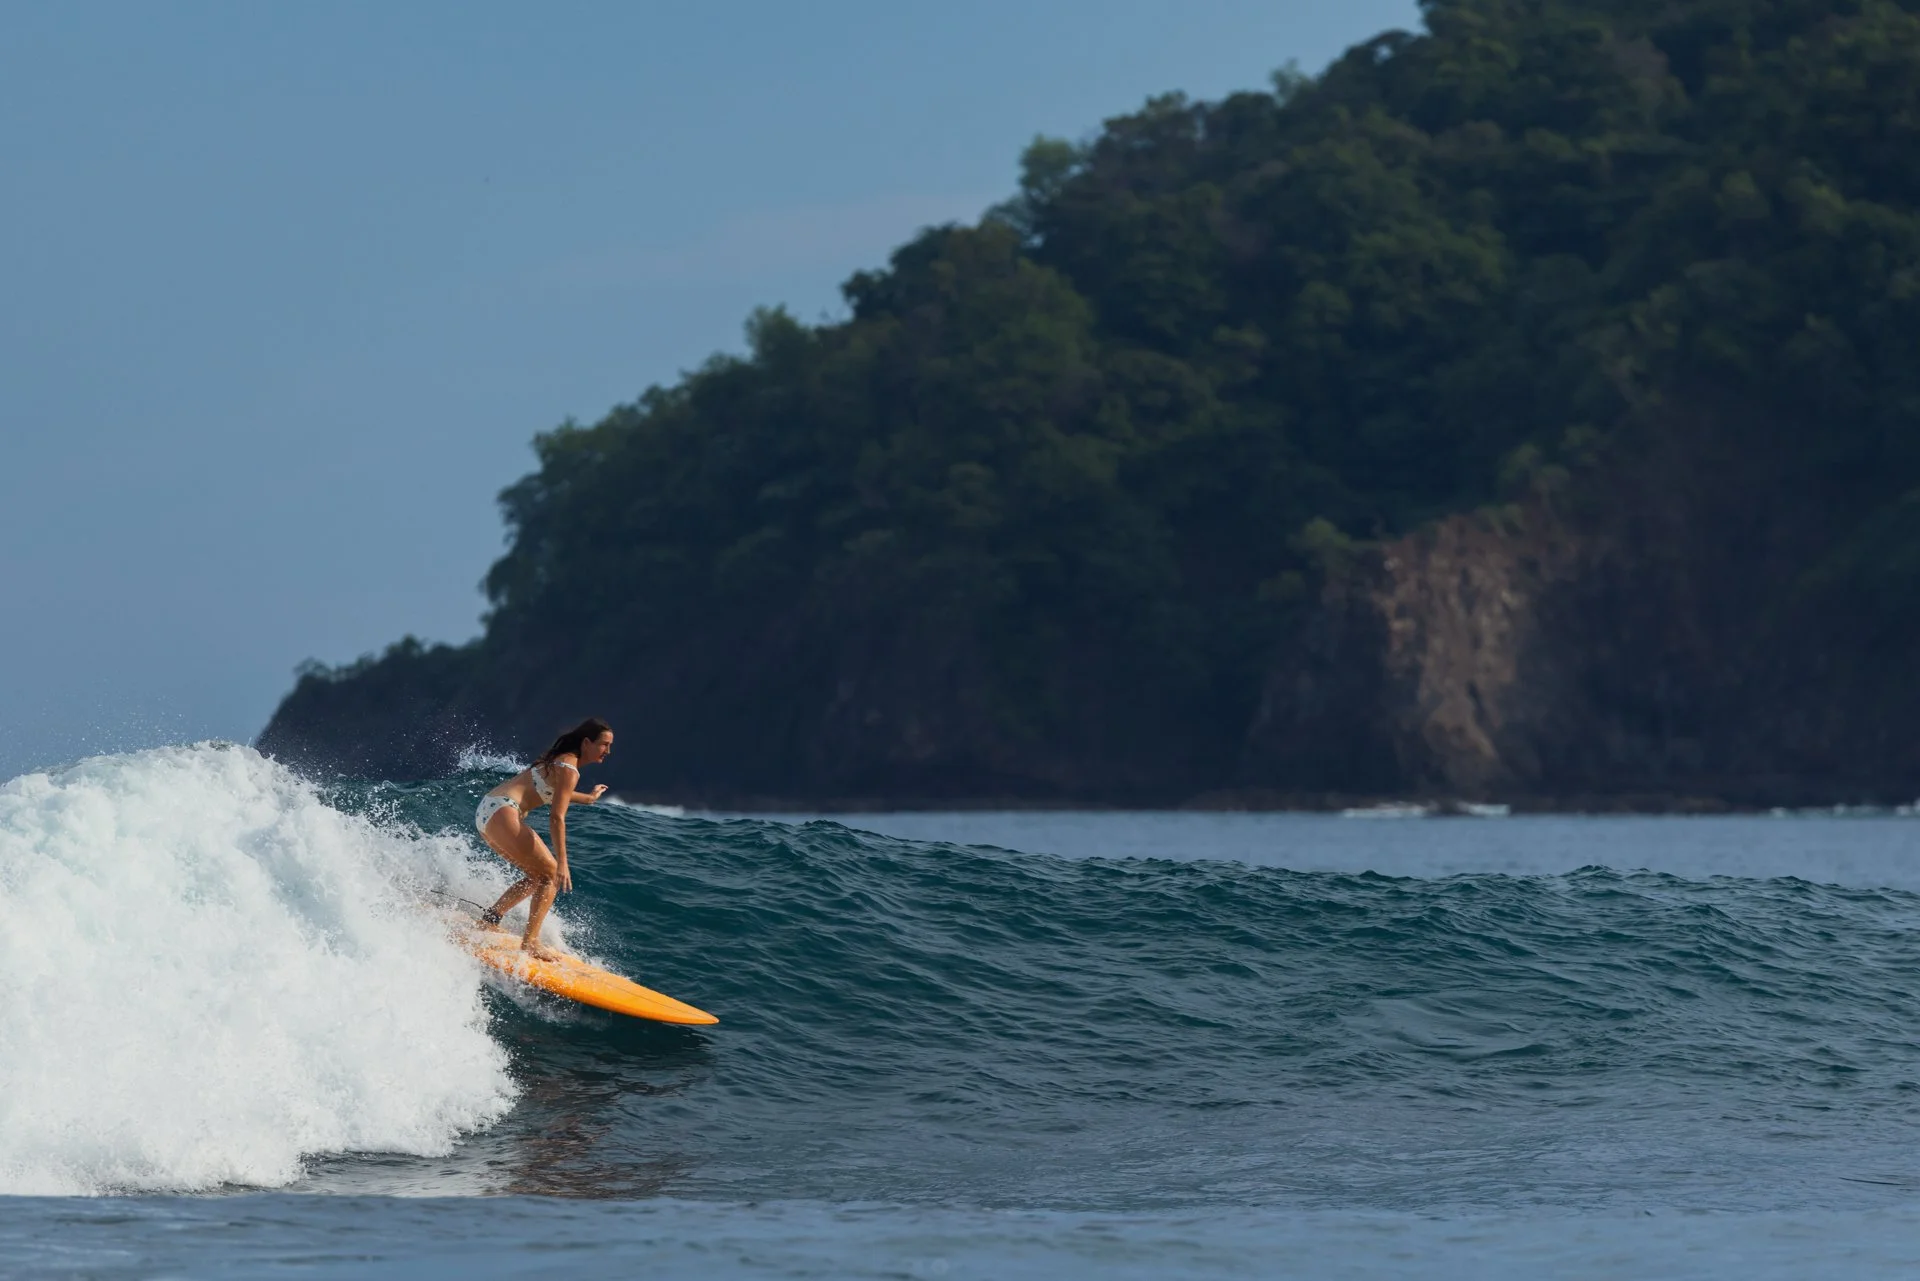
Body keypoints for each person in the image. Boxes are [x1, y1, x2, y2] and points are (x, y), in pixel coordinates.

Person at [473, 718, 612, 960]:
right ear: (587, 742)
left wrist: (589, 798)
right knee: (551, 874)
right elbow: (557, 818)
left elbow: (560, 793)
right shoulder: (570, 768)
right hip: (503, 811)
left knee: (537, 876)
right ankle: (531, 943)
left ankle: (490, 918)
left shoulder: (562, 761)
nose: (607, 751)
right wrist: (563, 863)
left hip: (489, 811)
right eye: (604, 744)